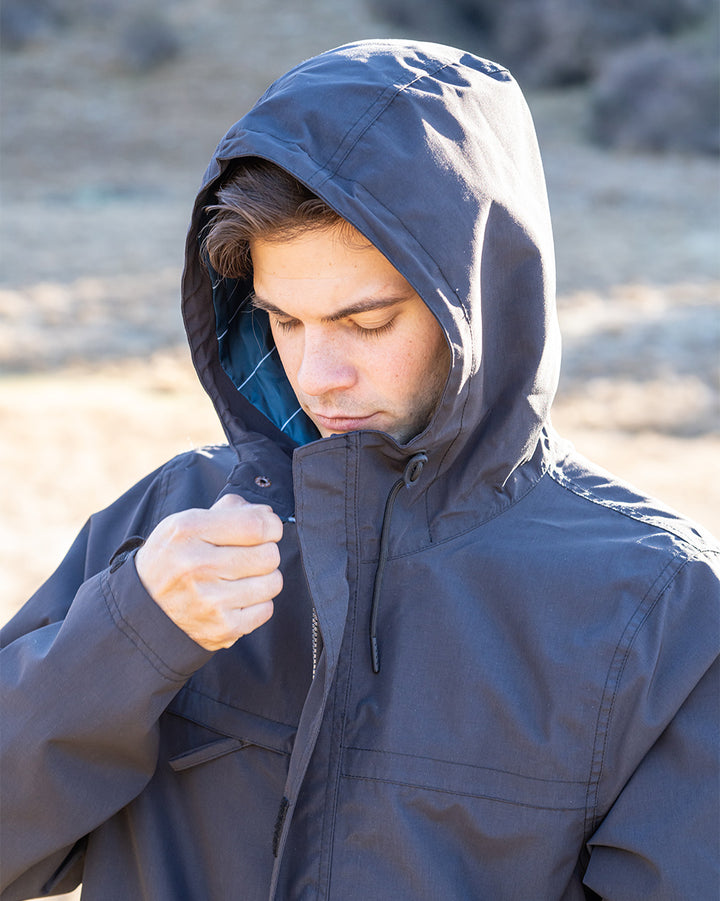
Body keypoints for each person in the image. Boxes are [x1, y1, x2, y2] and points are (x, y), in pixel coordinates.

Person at [1, 38, 718, 901]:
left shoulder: (663, 610)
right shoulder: (172, 518)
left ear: (483, 303)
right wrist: (128, 637)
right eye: (283, 320)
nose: (317, 375)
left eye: (367, 322)